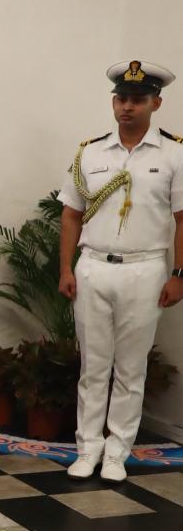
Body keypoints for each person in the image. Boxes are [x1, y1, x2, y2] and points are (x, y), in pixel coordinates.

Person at [58, 60, 183, 483]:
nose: (128, 107)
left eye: (138, 100)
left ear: (156, 102)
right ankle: (87, 447)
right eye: (122, 99)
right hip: (93, 266)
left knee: (131, 368)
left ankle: (117, 451)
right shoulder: (90, 152)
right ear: (114, 102)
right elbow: (71, 214)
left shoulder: (174, 154)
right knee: (93, 366)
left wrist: (178, 273)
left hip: (144, 269)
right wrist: (65, 268)